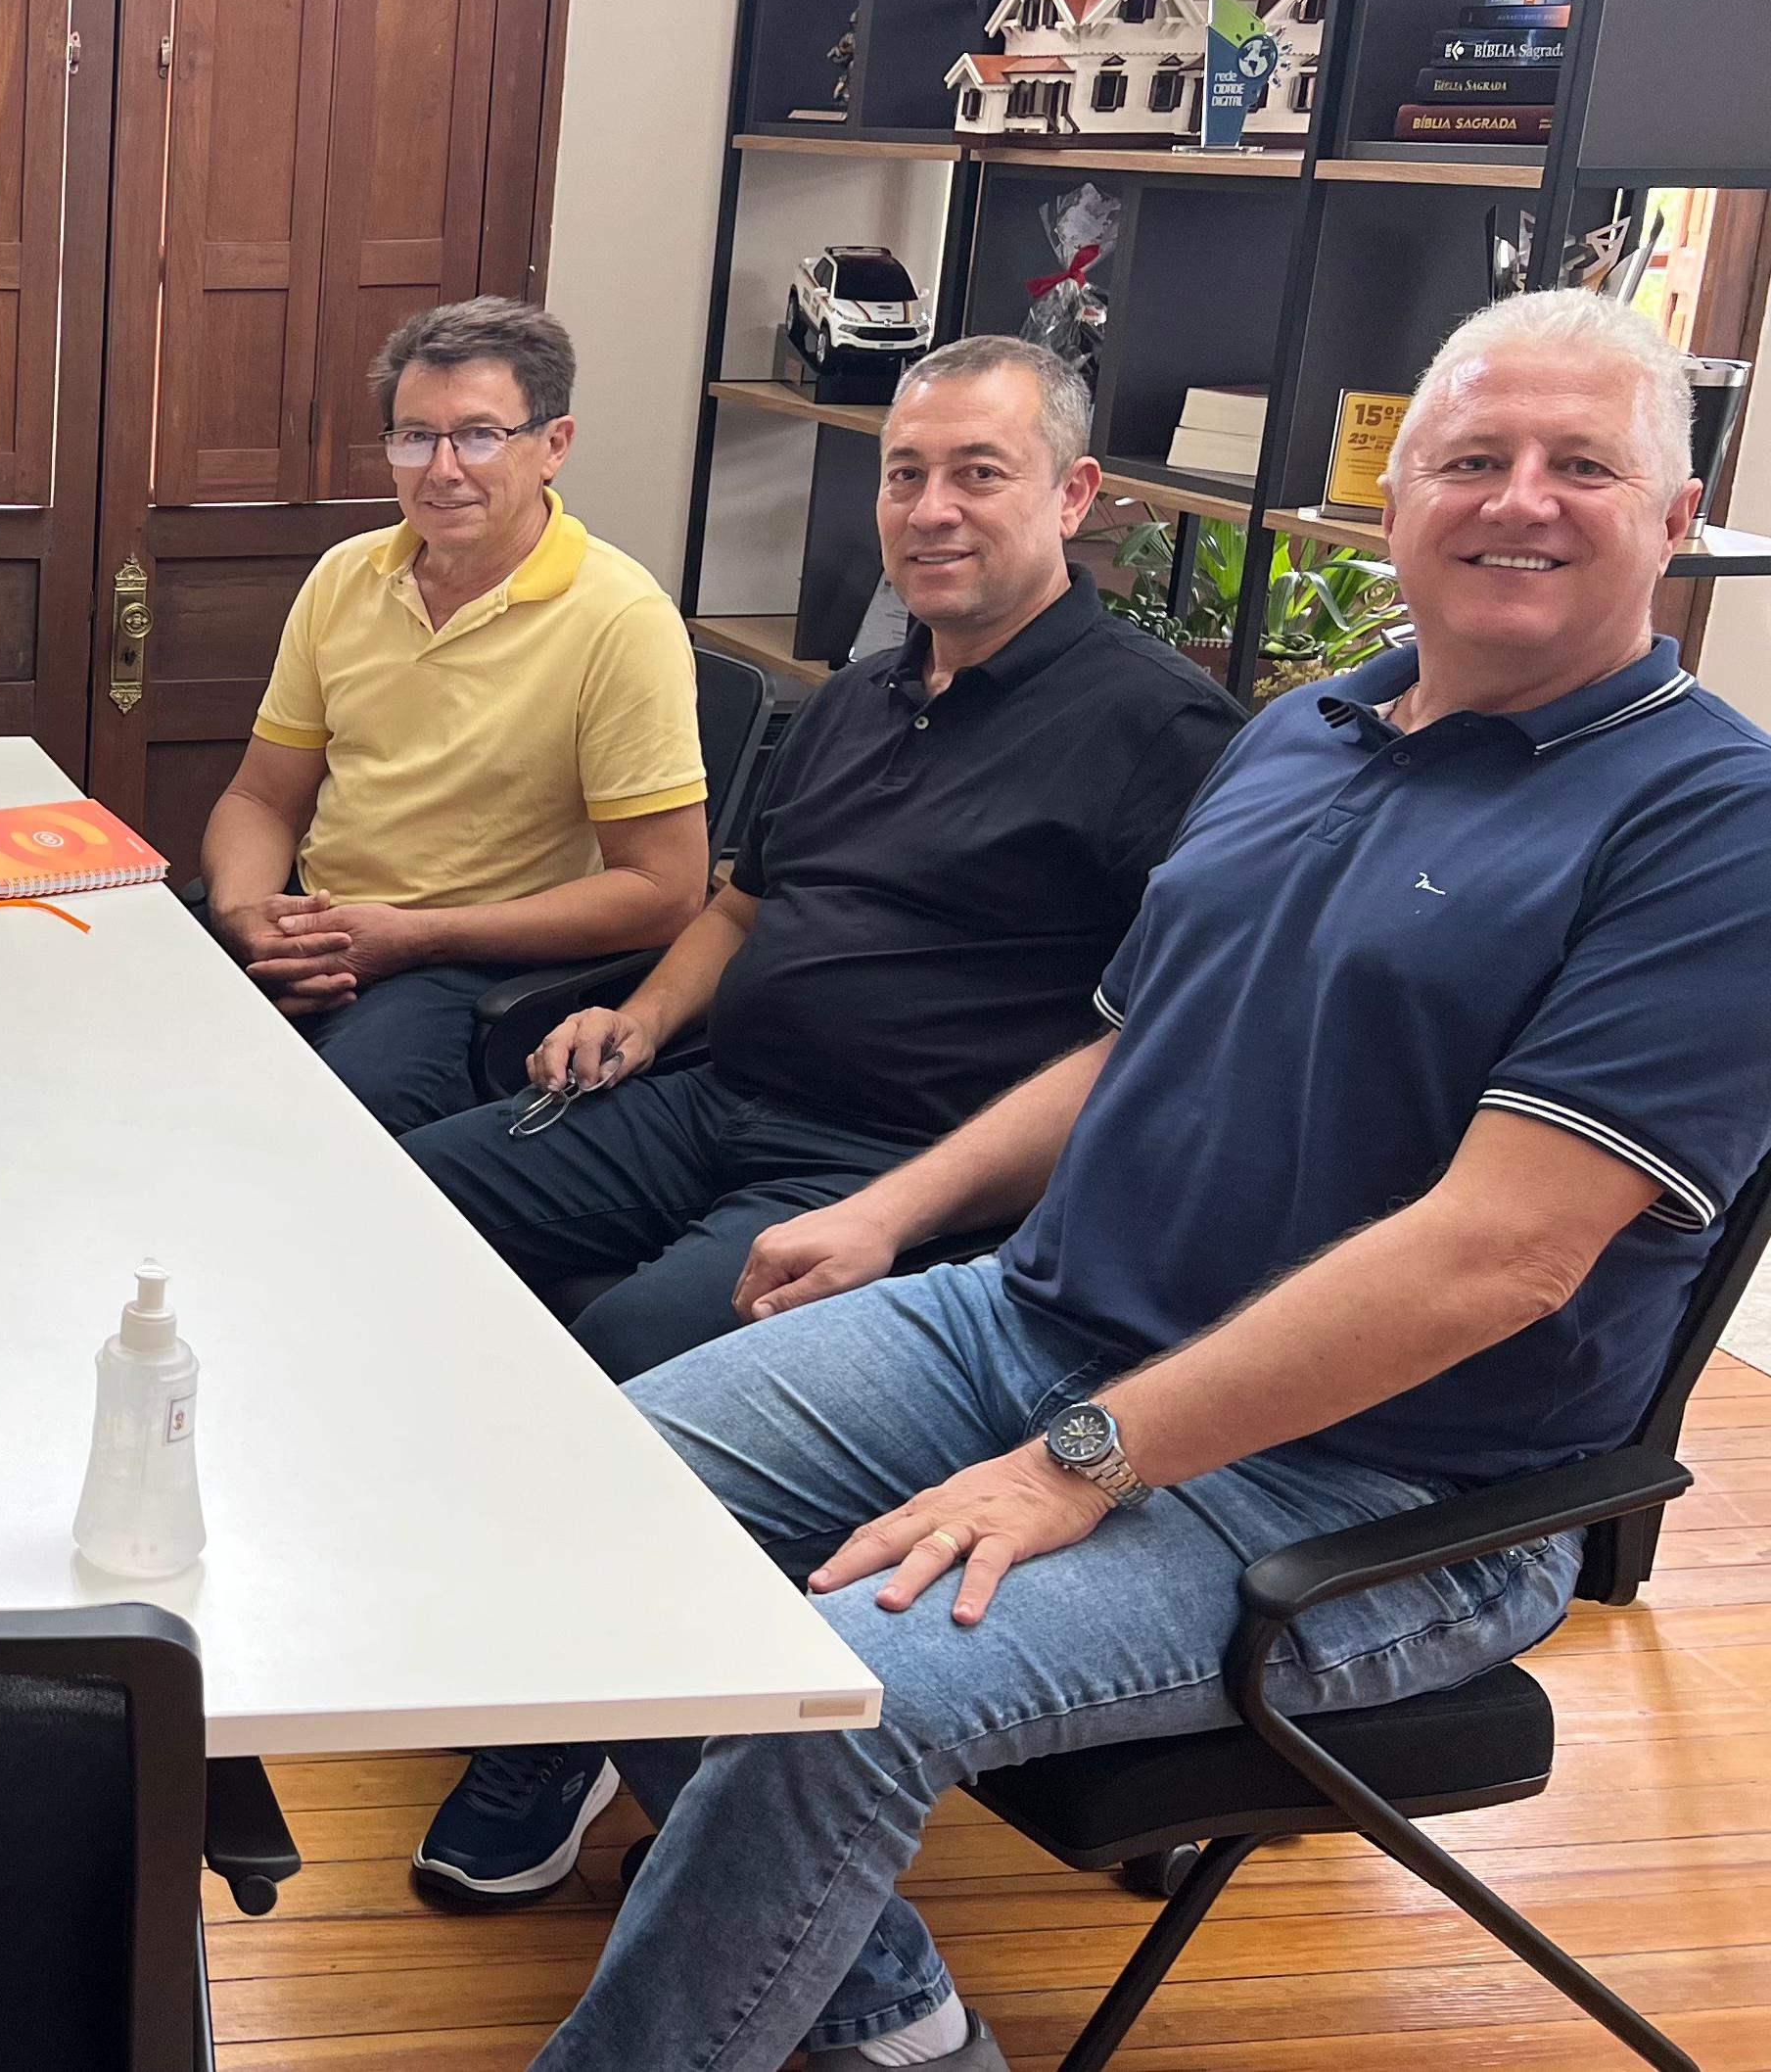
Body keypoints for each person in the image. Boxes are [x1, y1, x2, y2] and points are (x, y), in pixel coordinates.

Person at [489, 291, 1771, 2072]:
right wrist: (896, 1206)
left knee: (845, 1695)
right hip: (1036, 1322)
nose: (1517, 500)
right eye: (1472, 458)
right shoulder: (1305, 729)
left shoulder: (1714, 822)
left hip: (1373, 1482)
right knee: (583, 1509)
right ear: (1393, 499)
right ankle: (898, 2022)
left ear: (1677, 515)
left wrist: (1075, 1459)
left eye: (1583, 466)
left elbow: (1501, 1257)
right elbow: (1126, 1044)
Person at [396, 337, 1238, 1449]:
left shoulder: (1165, 732)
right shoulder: (855, 696)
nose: (931, 511)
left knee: (628, 1353)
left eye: (979, 474)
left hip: (897, 1164)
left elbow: (1166, 1046)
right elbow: (743, 905)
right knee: (393, 1208)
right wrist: (639, 1019)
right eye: (904, 475)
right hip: (713, 1099)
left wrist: (898, 1208)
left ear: (1072, 495)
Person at [203, 299, 712, 1135]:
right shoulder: (344, 576)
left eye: (479, 436)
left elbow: (666, 894)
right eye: (415, 437)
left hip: (469, 962)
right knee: (126, 1048)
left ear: (554, 445)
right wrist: (249, 914)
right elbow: (261, 798)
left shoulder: (622, 618)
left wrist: (416, 936)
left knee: (319, 1129)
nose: (442, 470)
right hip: (318, 921)